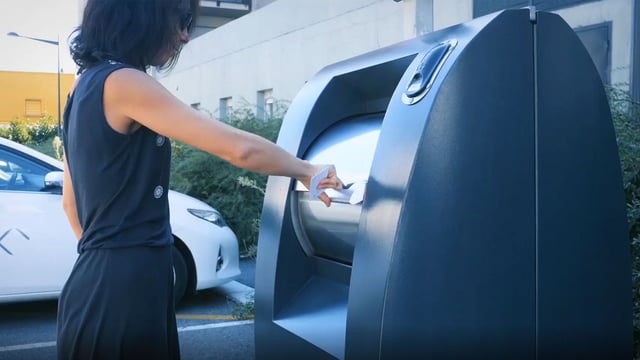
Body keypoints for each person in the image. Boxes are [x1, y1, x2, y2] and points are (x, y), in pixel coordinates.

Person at [56, 0, 342, 359]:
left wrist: (111, 262)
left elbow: (71, 206)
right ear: (141, 14)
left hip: (92, 286)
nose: (185, 36)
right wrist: (308, 170)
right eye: (181, 20)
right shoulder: (124, 82)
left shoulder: (80, 87)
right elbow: (238, 149)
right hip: (126, 294)